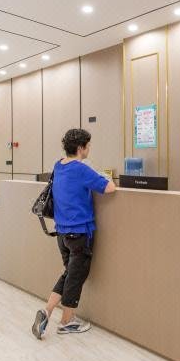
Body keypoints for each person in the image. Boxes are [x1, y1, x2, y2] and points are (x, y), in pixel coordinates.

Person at [32, 128, 116, 339]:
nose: (89, 149)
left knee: (69, 273)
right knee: (75, 277)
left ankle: (47, 310)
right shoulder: (81, 169)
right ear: (81, 148)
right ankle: (66, 322)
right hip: (80, 233)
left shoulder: (58, 165)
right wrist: (104, 177)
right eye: (88, 146)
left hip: (61, 233)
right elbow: (110, 188)